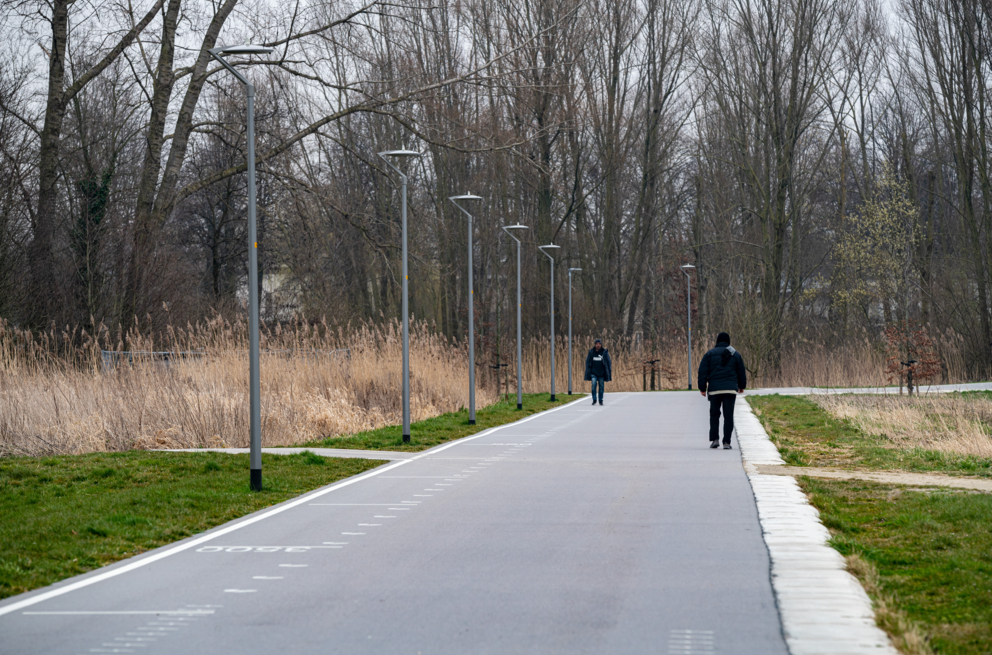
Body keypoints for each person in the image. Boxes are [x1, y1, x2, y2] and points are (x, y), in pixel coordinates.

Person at [697, 332, 747, 449]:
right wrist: (741, 386)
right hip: (730, 390)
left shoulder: (709, 354)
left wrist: (702, 388)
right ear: (728, 342)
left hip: (714, 390)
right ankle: (727, 442)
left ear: (717, 341)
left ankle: (715, 440)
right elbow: (741, 372)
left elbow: (702, 372)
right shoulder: (735, 354)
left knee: (714, 414)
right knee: (728, 416)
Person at [584, 339, 612, 405]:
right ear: (595, 345)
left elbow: (608, 362)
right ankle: (594, 399)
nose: (598, 345)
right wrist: (588, 370)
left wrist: (609, 370)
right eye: (597, 344)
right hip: (593, 372)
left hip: (601, 373)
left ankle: (600, 400)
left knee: (601, 386)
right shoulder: (591, 352)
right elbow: (587, 362)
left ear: (601, 345)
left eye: (599, 344)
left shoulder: (604, 352)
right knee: (593, 384)